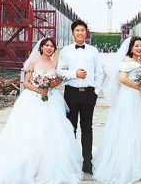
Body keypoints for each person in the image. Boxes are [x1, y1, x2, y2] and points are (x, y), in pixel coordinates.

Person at [0, 37, 83, 184]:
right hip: (33, 98)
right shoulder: (33, 62)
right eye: (46, 45)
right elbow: (26, 83)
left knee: (50, 131)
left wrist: (53, 84)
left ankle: (48, 165)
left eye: (52, 46)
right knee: (30, 132)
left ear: (54, 49)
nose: (49, 48)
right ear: (41, 47)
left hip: (51, 100)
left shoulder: (56, 64)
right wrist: (39, 90)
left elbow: (58, 80)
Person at [93, 36, 141, 184]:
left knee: (140, 127)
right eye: (136, 46)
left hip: (139, 97)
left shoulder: (138, 61)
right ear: (130, 48)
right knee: (128, 127)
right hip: (130, 97)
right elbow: (122, 79)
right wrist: (139, 87)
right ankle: (126, 162)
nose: (139, 48)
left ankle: (138, 160)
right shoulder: (127, 61)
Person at [57, 19, 104, 174]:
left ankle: (87, 162)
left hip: (89, 94)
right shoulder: (65, 51)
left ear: (86, 32)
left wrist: (96, 92)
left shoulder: (93, 50)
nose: (80, 33)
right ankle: (71, 161)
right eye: (77, 30)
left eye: (82, 30)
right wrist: (74, 73)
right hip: (71, 93)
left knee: (87, 128)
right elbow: (60, 71)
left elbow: (99, 73)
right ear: (72, 33)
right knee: (71, 128)